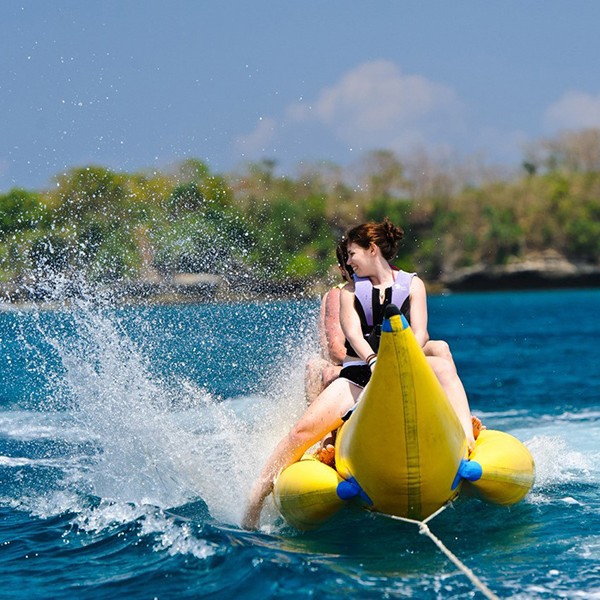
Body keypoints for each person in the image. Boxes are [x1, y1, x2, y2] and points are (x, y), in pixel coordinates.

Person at [242, 218, 478, 530]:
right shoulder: (350, 292)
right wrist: (372, 361)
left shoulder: (414, 285)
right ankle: (257, 495)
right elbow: (352, 334)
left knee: (444, 363)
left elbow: (420, 332)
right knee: (300, 433)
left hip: (406, 365)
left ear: (372, 250)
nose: (348, 261)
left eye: (352, 254)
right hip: (361, 372)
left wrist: (399, 359)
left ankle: (466, 440)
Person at [304, 241, 354, 404]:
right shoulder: (336, 295)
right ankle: (320, 426)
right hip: (341, 366)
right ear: (343, 270)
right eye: (351, 267)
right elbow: (335, 351)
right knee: (315, 367)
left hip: (368, 362)